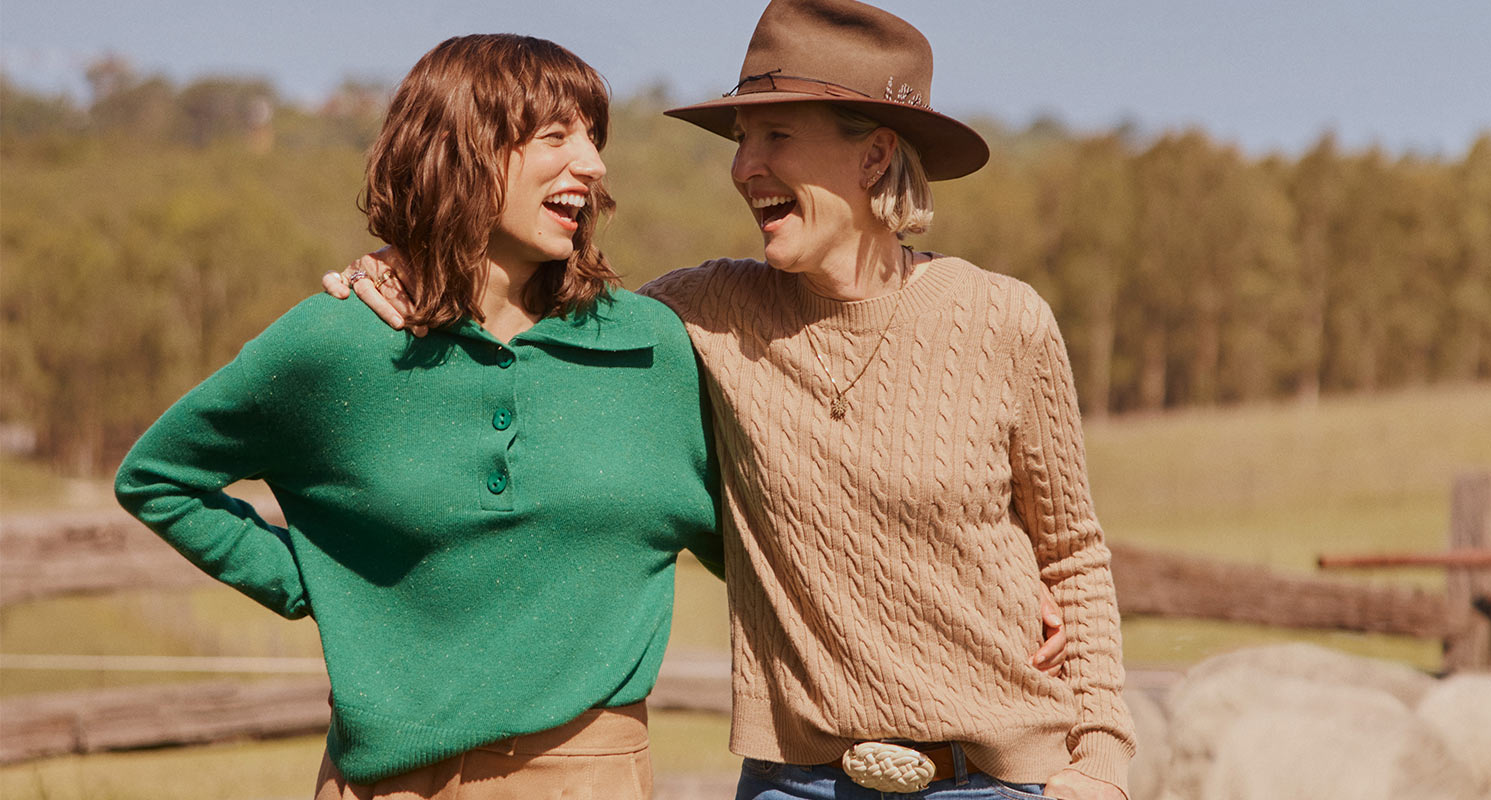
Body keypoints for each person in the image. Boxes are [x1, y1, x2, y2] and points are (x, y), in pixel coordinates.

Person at [331, 2, 1135, 798]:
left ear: (875, 156)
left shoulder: (1003, 320)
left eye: (775, 136)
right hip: (794, 785)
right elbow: (521, 309)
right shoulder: (697, 315)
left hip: (991, 782)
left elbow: (1071, 553)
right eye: (742, 139)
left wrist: (1100, 764)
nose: (743, 165)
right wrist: (403, 261)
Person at [117, 34, 722, 799]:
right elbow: (158, 477)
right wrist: (318, 585)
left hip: (585, 776)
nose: (594, 164)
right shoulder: (337, 338)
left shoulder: (649, 348)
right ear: (465, 152)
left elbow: (756, 549)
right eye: (558, 136)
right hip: (381, 784)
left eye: (595, 138)